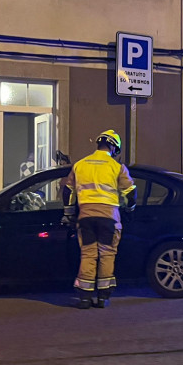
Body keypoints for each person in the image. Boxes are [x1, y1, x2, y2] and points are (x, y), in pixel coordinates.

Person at [62, 130, 136, 309]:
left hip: (86, 216)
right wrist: (130, 208)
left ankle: (85, 298)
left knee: (88, 254)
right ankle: (103, 297)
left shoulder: (80, 165)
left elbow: (68, 191)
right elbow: (131, 193)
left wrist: (69, 213)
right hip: (109, 218)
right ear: (113, 147)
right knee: (107, 254)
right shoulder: (116, 167)